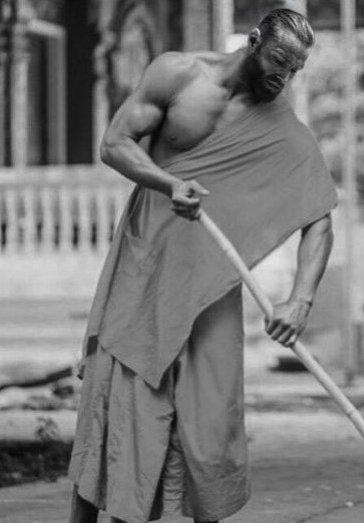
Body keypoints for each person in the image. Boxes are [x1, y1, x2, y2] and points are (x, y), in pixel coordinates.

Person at [68, 8, 336, 523]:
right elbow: (114, 144)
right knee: (118, 399)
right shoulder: (177, 73)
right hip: (145, 267)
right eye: (279, 60)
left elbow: (320, 219)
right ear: (253, 40)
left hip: (211, 287)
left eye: (295, 69)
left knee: (210, 419)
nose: (283, 77)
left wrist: (300, 300)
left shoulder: (284, 130)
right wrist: (168, 183)